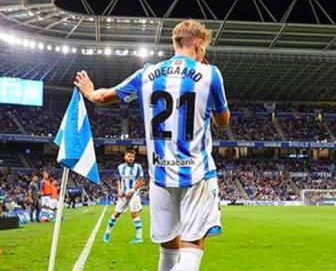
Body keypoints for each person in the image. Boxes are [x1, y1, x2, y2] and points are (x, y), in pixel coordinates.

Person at [74, 20, 230, 271]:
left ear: (175, 42)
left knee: (168, 249)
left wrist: (89, 91)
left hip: (159, 176)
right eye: (205, 47)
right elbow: (223, 122)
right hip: (196, 174)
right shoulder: (210, 74)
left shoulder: (147, 73)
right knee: (191, 248)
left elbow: (103, 97)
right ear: (198, 44)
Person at [103, 149, 145, 244]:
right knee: (116, 213)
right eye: (129, 156)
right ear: (125, 157)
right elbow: (119, 179)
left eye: (133, 157)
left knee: (134, 214)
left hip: (134, 194)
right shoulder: (120, 167)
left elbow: (140, 181)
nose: (131, 158)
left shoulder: (138, 167)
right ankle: (107, 232)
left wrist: (132, 190)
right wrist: (119, 190)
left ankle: (139, 237)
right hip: (123, 195)